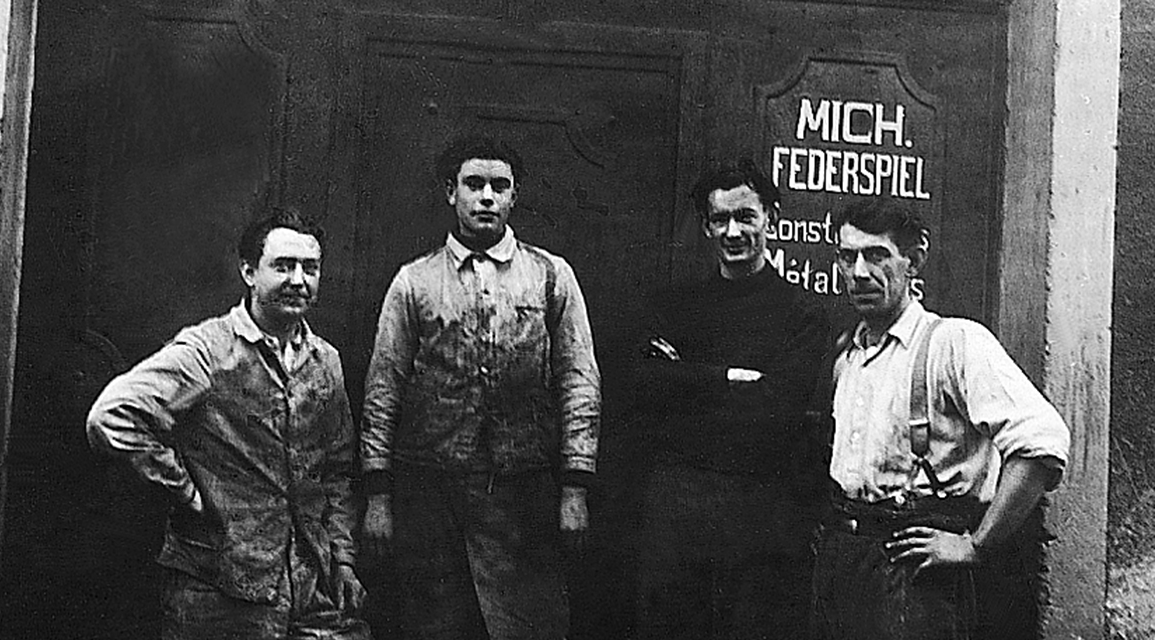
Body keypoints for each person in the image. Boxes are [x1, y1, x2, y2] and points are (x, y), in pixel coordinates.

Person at [86, 208, 369, 640]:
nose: (298, 280)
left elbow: (336, 470)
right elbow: (112, 416)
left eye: (309, 268)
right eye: (283, 266)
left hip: (309, 584)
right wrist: (185, 490)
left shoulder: (325, 360)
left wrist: (343, 560)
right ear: (249, 272)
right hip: (218, 587)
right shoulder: (208, 350)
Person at [360, 135, 601, 640]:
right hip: (432, 494)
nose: (486, 197)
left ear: (514, 196)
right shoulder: (413, 282)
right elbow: (383, 390)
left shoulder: (550, 276)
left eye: (499, 186)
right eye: (474, 184)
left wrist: (575, 489)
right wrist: (378, 496)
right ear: (452, 192)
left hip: (523, 493)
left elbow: (579, 382)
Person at [810, 199, 1072, 640]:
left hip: (915, 570)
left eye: (876, 256)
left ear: (914, 261)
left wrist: (975, 545)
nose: (858, 272)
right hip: (845, 563)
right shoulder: (847, 355)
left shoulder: (954, 343)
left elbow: (1042, 441)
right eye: (847, 257)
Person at [630, 160, 830, 639]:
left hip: (760, 512)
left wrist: (687, 379)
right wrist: (729, 378)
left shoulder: (804, 312)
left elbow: (779, 410)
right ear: (706, 227)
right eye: (720, 220)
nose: (733, 232)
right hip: (679, 509)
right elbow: (645, 386)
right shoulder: (676, 304)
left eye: (745, 217)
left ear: (771, 218)